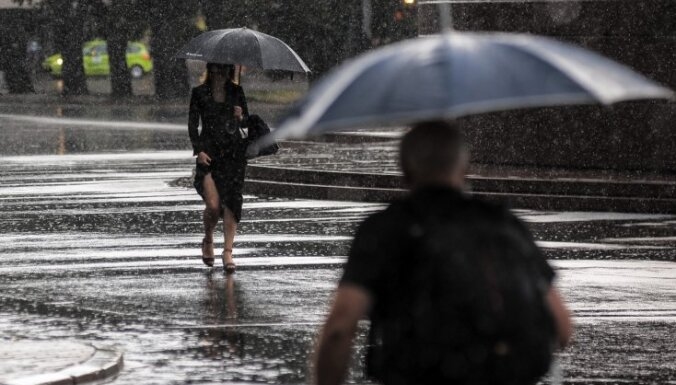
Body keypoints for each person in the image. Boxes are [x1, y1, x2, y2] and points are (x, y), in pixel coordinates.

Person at [314, 121, 573, 385]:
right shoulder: (503, 224)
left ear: (404, 170)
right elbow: (561, 328)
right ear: (465, 168)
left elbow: (340, 328)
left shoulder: (385, 228)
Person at [188, 62, 249, 273]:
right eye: (216, 68)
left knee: (231, 202)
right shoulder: (199, 93)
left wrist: (240, 117)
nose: (220, 73)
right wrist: (199, 150)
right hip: (209, 155)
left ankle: (227, 251)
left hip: (233, 155)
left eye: (224, 69)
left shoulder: (236, 91)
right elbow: (192, 124)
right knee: (213, 206)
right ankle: (208, 239)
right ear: (210, 69)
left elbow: (246, 125)